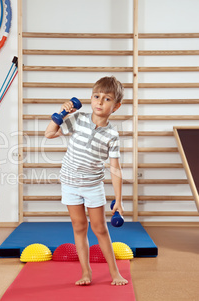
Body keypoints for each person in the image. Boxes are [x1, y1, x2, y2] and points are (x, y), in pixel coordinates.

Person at [45, 76, 128, 286]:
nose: (100, 102)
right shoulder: (78, 119)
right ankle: (86, 272)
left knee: (100, 228)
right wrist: (62, 113)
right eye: (96, 96)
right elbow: (49, 133)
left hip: (93, 186)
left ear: (116, 106)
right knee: (79, 226)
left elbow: (115, 169)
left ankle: (114, 273)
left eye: (107, 99)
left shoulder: (112, 135)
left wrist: (118, 199)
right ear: (91, 98)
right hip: (70, 184)